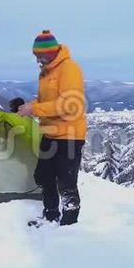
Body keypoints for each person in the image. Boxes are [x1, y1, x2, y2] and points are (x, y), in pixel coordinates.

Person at [18, 30, 87, 226]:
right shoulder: (46, 72)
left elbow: (70, 105)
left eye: (41, 56)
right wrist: (26, 107)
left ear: (51, 53)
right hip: (49, 133)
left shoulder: (69, 69)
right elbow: (45, 101)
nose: (38, 61)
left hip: (69, 136)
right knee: (43, 176)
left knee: (66, 182)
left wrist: (35, 108)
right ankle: (50, 215)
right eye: (36, 57)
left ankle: (70, 224)